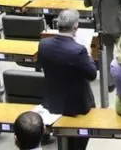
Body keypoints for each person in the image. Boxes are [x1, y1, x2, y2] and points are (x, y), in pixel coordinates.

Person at [38, 10, 97, 150]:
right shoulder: (79, 51)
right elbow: (92, 75)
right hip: (77, 106)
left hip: (53, 102)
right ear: (75, 27)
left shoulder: (43, 44)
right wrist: (88, 55)